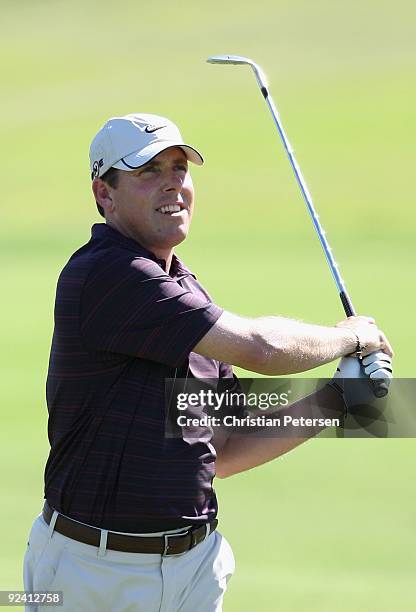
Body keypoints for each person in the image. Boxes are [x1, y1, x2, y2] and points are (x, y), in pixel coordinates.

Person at [23, 113, 393, 612]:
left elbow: (224, 447)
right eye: (148, 171)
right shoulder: (109, 275)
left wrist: (337, 401)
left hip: (193, 567)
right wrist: (350, 336)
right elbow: (260, 348)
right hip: (90, 571)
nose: (172, 182)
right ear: (103, 194)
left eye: (179, 168)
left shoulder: (186, 292)